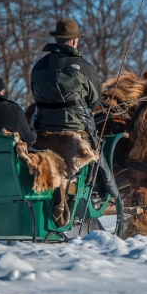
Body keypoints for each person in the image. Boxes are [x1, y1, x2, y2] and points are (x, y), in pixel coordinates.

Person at [31, 18, 119, 202]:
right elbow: (94, 102)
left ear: (56, 40)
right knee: (102, 145)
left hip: (42, 130)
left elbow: (36, 96)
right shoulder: (85, 68)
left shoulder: (38, 66)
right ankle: (102, 190)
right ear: (74, 41)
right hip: (77, 130)